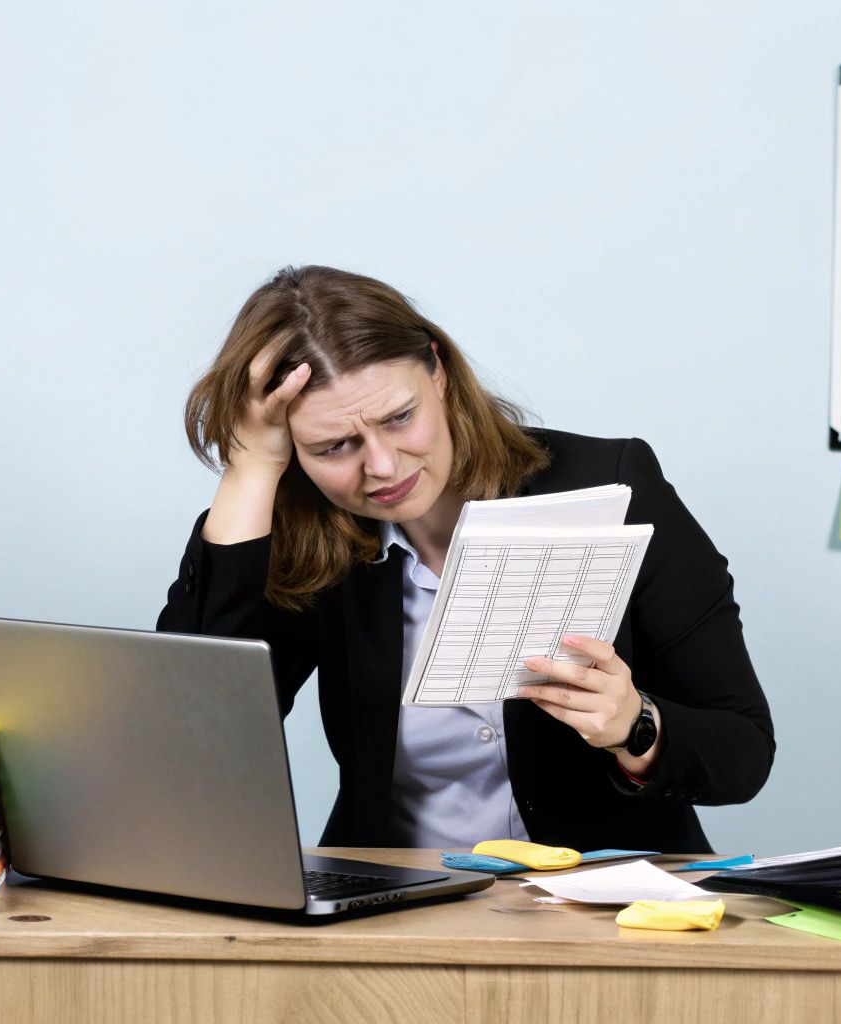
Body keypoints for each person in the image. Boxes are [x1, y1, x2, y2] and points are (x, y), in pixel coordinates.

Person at [157, 266, 774, 854]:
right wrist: (251, 469)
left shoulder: (608, 484)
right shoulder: (306, 535)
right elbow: (196, 729)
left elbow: (744, 752)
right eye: (334, 445)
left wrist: (635, 726)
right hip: (397, 909)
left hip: (609, 905)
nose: (382, 465)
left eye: (400, 418)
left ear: (440, 372)